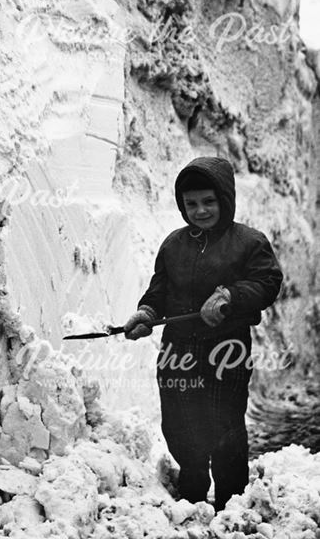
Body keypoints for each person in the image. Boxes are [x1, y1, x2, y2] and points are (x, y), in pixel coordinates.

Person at [123, 156, 283, 512]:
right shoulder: (173, 245)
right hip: (177, 349)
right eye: (191, 204)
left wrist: (230, 295)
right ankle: (193, 490)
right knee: (179, 422)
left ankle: (231, 500)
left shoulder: (249, 242)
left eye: (209, 201)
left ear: (225, 199)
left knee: (224, 424)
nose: (200, 210)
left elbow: (267, 282)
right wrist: (147, 313)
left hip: (226, 349)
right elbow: (159, 290)